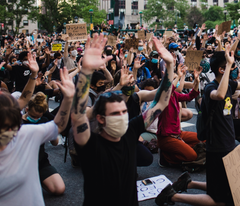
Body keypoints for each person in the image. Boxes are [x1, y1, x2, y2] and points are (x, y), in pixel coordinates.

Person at [71, 34, 174, 206]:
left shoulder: (130, 131)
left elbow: (161, 102)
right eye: (115, 114)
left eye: (123, 112)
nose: (122, 117)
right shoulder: (90, 144)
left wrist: (170, 65)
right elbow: (78, 115)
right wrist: (86, 72)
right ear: (100, 119)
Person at [156, 44, 240, 206]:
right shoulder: (212, 87)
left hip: (228, 143)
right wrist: (229, 64)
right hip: (217, 146)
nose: (233, 69)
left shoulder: (230, 84)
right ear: (221, 70)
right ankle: (171, 196)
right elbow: (220, 95)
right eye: (229, 66)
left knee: (226, 187)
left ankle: (189, 184)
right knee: (220, 201)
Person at [0, 58, 74, 206]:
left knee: (58, 187)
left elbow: (58, 125)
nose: (9, 131)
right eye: (3, 126)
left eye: (12, 126)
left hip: (41, 163)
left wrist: (68, 99)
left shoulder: (26, 133)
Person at [22, 92, 65, 195]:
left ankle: (38, 179)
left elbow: (55, 143)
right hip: (22, 163)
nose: (35, 119)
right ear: (27, 109)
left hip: (40, 161)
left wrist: (54, 132)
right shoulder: (18, 123)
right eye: (33, 116)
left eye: (38, 117)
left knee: (59, 189)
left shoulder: (44, 121)